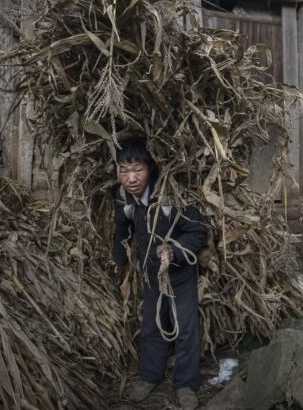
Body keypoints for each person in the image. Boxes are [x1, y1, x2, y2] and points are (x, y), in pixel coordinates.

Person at [112, 138, 206, 410]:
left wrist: (175, 251)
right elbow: (121, 228)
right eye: (123, 170)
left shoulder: (170, 195)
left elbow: (197, 231)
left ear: (149, 169)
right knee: (151, 325)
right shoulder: (122, 197)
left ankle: (186, 385)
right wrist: (119, 257)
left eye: (137, 169)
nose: (130, 178)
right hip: (150, 273)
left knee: (186, 328)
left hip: (179, 272)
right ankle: (149, 376)